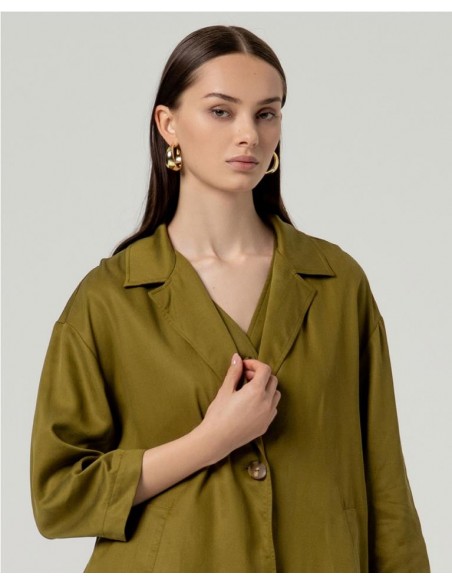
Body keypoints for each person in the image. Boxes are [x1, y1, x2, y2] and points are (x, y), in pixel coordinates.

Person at [30, 25, 430, 573]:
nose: (249, 134)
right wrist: (211, 440)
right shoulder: (109, 299)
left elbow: (388, 489)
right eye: (221, 111)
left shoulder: (337, 283)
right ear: (168, 124)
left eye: (267, 114)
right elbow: (58, 497)